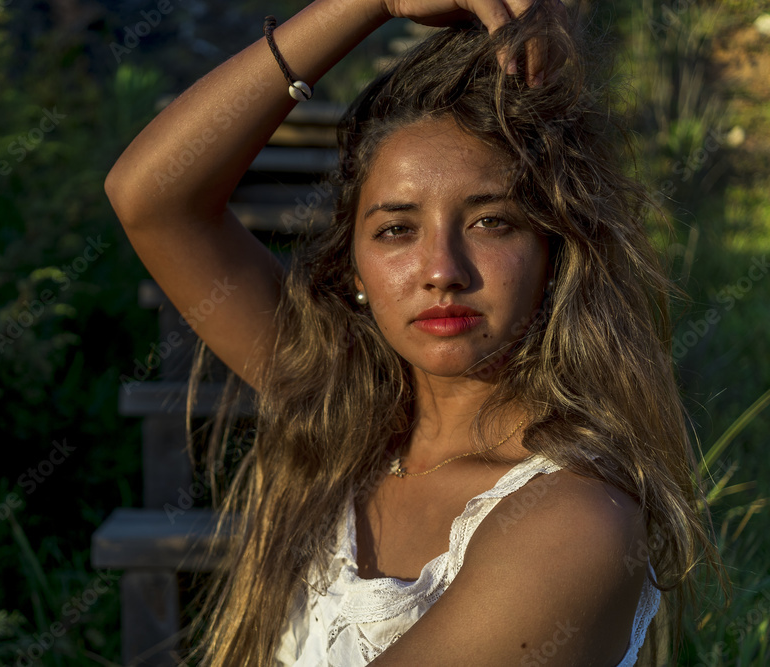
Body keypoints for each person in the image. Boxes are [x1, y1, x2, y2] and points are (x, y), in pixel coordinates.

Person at [104, 0, 730, 665]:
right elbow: (151, 198)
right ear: (353, 267)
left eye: (493, 221)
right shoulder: (348, 413)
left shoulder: (574, 520)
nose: (442, 271)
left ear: (553, 249)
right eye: (397, 229)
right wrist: (367, 4)